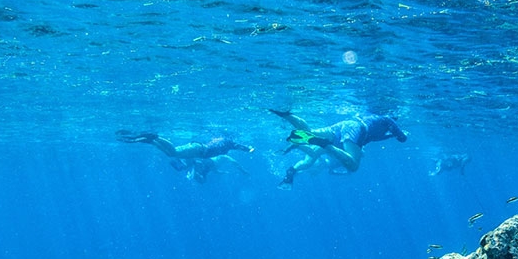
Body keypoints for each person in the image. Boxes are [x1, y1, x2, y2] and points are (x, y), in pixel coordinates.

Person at [270, 110, 407, 188]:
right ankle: (324, 144)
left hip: (343, 125)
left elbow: (376, 137)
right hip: (356, 129)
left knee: (309, 132)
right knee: (353, 165)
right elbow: (402, 138)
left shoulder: (374, 119)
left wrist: (390, 136)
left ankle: (286, 114)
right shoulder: (388, 120)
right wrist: (401, 134)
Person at [116, 131, 254, 182]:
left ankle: (151, 140)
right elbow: (241, 147)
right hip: (198, 150)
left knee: (171, 153)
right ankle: (155, 137)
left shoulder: (224, 142)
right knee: (174, 152)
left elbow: (239, 148)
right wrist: (250, 150)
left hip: (198, 150)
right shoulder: (230, 144)